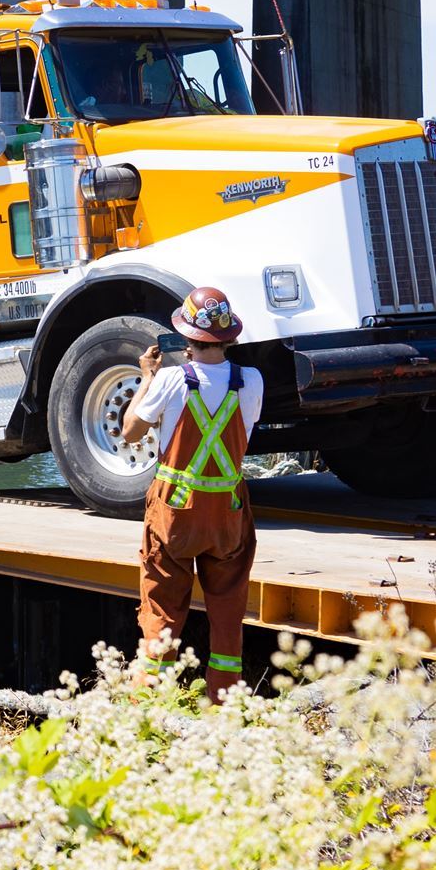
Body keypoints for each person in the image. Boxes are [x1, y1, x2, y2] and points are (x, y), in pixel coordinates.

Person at [120, 285, 263, 699]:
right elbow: (244, 436)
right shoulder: (251, 380)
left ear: (186, 337)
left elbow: (131, 431)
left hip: (175, 516)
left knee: (162, 609)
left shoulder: (169, 379)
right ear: (229, 335)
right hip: (228, 515)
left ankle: (148, 706)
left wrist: (146, 379)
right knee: (228, 613)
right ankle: (224, 704)